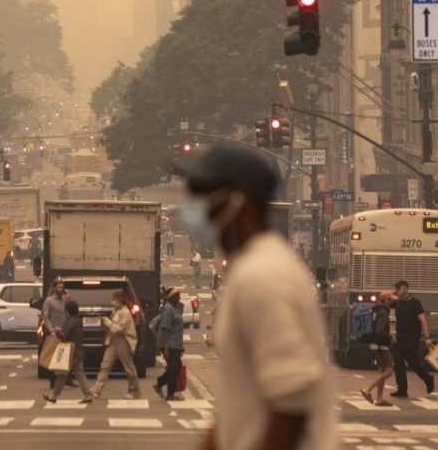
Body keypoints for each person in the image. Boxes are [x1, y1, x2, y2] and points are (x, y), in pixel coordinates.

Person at [178, 145, 335, 450]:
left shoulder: (262, 276)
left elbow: (291, 401)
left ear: (240, 201)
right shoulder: (254, 266)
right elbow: (241, 410)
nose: (194, 207)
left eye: (204, 196)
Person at [88, 290, 141, 400]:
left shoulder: (125, 312)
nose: (113, 302)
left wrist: (107, 322)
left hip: (124, 341)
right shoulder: (116, 311)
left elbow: (119, 329)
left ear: (120, 300)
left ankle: (134, 391)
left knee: (129, 368)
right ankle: (97, 389)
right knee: (105, 365)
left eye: (115, 300)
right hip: (113, 341)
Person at [391, 280, 435, 398]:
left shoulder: (415, 303)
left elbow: (423, 320)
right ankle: (402, 390)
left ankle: (428, 378)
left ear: (405, 288)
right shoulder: (398, 303)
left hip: (411, 338)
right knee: (398, 362)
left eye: (398, 289)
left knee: (414, 363)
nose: (396, 292)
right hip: (400, 337)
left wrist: (427, 337)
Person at [43, 301, 92, 404]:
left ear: (67, 311)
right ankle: (54, 396)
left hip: (70, 351)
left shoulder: (70, 321)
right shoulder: (77, 320)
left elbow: (64, 336)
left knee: (67, 374)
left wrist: (57, 331)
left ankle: (87, 395)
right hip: (77, 349)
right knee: (68, 374)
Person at [360, 292, 396, 407]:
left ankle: (379, 398)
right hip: (382, 345)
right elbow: (380, 330)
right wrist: (390, 337)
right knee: (389, 370)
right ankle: (368, 389)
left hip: (375, 344)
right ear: (385, 300)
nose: (392, 302)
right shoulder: (383, 311)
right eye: (390, 300)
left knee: (382, 370)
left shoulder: (376, 310)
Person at [154, 287, 185, 401]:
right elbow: (165, 328)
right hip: (169, 344)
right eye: (176, 296)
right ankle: (162, 386)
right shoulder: (168, 309)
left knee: (175, 368)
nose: (179, 298)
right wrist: (166, 346)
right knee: (174, 368)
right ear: (171, 297)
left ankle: (166, 389)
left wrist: (181, 347)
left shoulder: (176, 308)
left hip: (176, 344)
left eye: (179, 295)